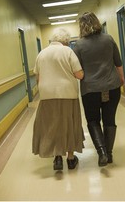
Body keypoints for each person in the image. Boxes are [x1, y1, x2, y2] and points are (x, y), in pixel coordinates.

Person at [73, 12, 125, 167]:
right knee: (110, 120)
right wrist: (121, 78)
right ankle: (109, 154)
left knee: (93, 120)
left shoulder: (79, 45)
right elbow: (118, 62)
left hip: (90, 90)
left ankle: (101, 152)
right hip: (112, 86)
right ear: (97, 23)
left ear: (82, 26)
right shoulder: (108, 39)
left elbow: (77, 69)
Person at [32, 28, 84, 171]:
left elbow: (37, 77)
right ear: (66, 41)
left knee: (52, 125)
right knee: (69, 125)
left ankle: (57, 159)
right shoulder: (68, 52)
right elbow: (79, 75)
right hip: (67, 93)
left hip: (47, 95)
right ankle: (71, 159)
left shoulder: (41, 54)